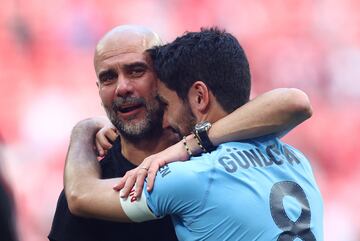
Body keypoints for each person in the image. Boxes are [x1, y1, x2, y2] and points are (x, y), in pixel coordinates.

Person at [51, 25, 313, 241]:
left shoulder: (186, 174)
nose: (122, 87)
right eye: (108, 78)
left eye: (136, 70)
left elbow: (81, 195)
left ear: (162, 78)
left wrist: (82, 130)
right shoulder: (296, 160)